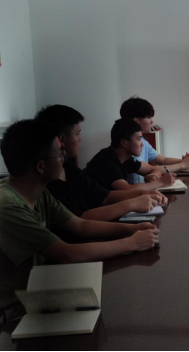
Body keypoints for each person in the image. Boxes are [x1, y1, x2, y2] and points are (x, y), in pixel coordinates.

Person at [0, 121, 160, 309]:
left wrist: (131, 228)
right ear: (41, 166)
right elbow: (67, 254)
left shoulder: (39, 192)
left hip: (40, 287)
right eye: (59, 154)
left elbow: (80, 225)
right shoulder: (8, 206)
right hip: (14, 309)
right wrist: (132, 243)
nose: (63, 159)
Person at [35, 105, 167, 222]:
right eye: (77, 134)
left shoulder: (69, 168)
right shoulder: (105, 161)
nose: (80, 139)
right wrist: (134, 202)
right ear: (61, 140)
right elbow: (81, 221)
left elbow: (106, 195)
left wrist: (144, 194)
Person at [120, 96, 189, 184]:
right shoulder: (129, 145)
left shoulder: (143, 141)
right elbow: (150, 169)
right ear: (136, 121)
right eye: (149, 117)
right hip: (137, 190)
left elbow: (163, 160)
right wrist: (183, 165)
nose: (152, 121)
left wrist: (187, 161)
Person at [85, 119, 176, 191]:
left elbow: (152, 169)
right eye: (139, 139)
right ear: (124, 143)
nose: (142, 144)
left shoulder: (126, 159)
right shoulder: (106, 160)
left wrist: (153, 176)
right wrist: (160, 182)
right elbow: (126, 189)